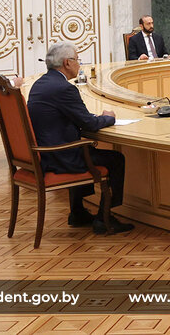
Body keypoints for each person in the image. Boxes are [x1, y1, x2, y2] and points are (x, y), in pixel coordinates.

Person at [28, 42, 133, 235]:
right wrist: (108, 117)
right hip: (60, 157)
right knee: (116, 159)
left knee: (86, 150)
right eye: (77, 60)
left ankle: (77, 212)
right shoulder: (64, 88)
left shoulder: (41, 83)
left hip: (45, 154)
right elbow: (89, 124)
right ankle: (104, 218)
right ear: (67, 63)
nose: (80, 64)